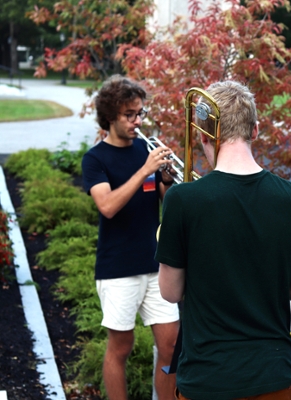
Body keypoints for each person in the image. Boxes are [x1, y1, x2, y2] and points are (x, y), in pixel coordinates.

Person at [156, 80, 291, 400]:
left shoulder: (181, 199)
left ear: (203, 134)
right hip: (273, 376)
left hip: (206, 378)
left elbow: (170, 291)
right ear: (256, 130)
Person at [81, 75, 180, 400]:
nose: (138, 121)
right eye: (130, 115)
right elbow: (107, 206)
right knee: (121, 348)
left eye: (140, 113)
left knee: (170, 346)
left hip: (156, 263)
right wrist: (144, 170)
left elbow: (166, 201)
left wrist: (165, 179)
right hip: (117, 266)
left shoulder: (145, 149)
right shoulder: (95, 159)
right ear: (110, 116)